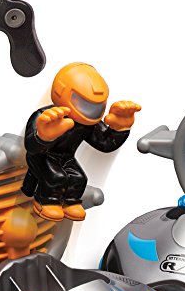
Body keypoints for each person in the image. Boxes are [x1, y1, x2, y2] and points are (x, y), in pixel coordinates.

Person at [23, 62, 141, 222]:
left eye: (97, 106)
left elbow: (104, 143)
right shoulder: (47, 117)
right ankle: (46, 201)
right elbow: (31, 147)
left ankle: (71, 202)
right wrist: (42, 136)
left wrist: (120, 129)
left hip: (65, 158)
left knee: (79, 178)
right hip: (41, 157)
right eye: (85, 104)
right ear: (61, 92)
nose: (92, 111)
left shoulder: (87, 124)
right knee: (56, 176)